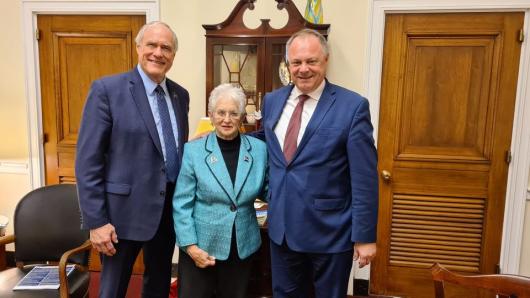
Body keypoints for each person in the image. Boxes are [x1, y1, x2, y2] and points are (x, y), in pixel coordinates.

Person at [253, 29, 379, 297]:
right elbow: (267, 139)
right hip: (282, 230)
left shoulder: (352, 106)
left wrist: (365, 236)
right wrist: (221, 136)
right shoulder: (273, 101)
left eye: (311, 61)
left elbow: (364, 177)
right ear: (288, 65)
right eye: (296, 62)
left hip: (330, 233)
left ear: (326, 61)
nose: (303, 69)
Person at [75, 21, 189, 298]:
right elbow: (87, 161)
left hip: (167, 213)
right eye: (152, 45)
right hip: (119, 217)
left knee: (158, 285)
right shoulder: (108, 90)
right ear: (138, 47)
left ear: (173, 55)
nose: (158, 53)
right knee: (113, 289)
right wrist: (96, 222)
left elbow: (171, 148)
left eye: (166, 48)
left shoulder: (180, 95)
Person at [173, 83, 268, 298]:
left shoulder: (259, 151)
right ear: (211, 115)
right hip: (201, 247)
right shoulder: (194, 151)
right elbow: (182, 203)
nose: (227, 119)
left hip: (242, 246)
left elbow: (270, 190)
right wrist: (190, 246)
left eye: (234, 113)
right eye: (221, 113)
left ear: (243, 116)